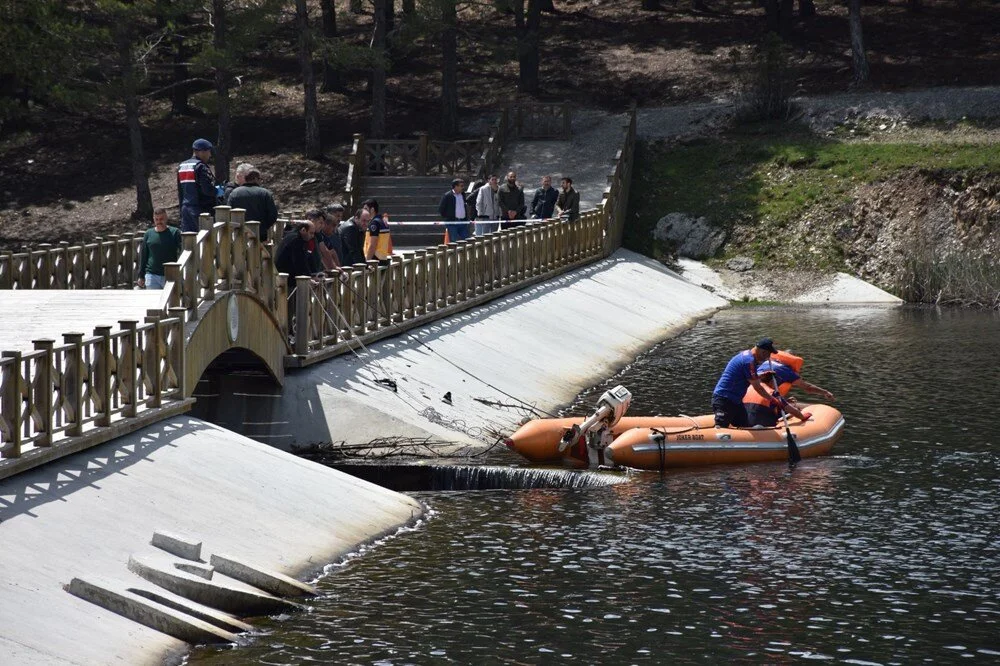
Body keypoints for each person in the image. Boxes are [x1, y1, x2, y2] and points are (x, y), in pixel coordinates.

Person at [711, 338, 780, 428]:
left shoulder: (747, 356)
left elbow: (745, 376)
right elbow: (758, 388)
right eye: (767, 354)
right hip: (724, 399)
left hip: (736, 400)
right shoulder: (749, 361)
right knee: (721, 427)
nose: (768, 357)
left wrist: (761, 376)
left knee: (745, 426)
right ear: (762, 351)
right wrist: (773, 400)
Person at [744, 365, 812, 428]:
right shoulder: (771, 392)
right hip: (763, 425)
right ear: (772, 381)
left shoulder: (749, 388)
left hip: (746, 423)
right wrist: (803, 417)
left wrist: (785, 401)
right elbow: (790, 409)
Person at [226, 165, 279, 242]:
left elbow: (228, 213)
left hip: (239, 234)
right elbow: (273, 215)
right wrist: (264, 226)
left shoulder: (234, 193)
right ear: (255, 179)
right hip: (260, 234)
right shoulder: (265, 193)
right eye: (260, 179)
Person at [177, 138, 217, 232]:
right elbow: (207, 190)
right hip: (200, 209)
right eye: (208, 151)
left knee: (189, 240)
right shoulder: (201, 166)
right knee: (206, 240)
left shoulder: (182, 166)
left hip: (185, 209)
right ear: (200, 152)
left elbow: (180, 192)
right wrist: (217, 191)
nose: (210, 155)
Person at [137, 208, 182, 289]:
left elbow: (182, 252)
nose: (159, 222)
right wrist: (141, 276)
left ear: (166, 218)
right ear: (154, 219)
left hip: (170, 275)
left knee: (171, 300)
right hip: (151, 275)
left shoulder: (175, 232)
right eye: (156, 219)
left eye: (161, 219)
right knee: (153, 301)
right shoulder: (148, 234)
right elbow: (144, 255)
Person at [438, 178, 472, 242]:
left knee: (467, 240)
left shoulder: (463, 195)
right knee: (454, 241)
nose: (463, 188)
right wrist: (449, 217)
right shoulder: (448, 195)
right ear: (455, 186)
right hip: (452, 223)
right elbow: (441, 209)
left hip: (463, 222)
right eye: (461, 186)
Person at [363, 199, 393, 263]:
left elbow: (373, 244)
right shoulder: (383, 221)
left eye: (366, 209)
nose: (364, 211)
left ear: (372, 210)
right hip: (382, 257)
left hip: (375, 259)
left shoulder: (374, 223)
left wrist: (367, 261)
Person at [317, 203, 346, 269]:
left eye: (341, 216)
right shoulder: (320, 235)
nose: (339, 219)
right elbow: (325, 253)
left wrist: (339, 267)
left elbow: (334, 252)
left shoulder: (339, 231)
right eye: (337, 216)